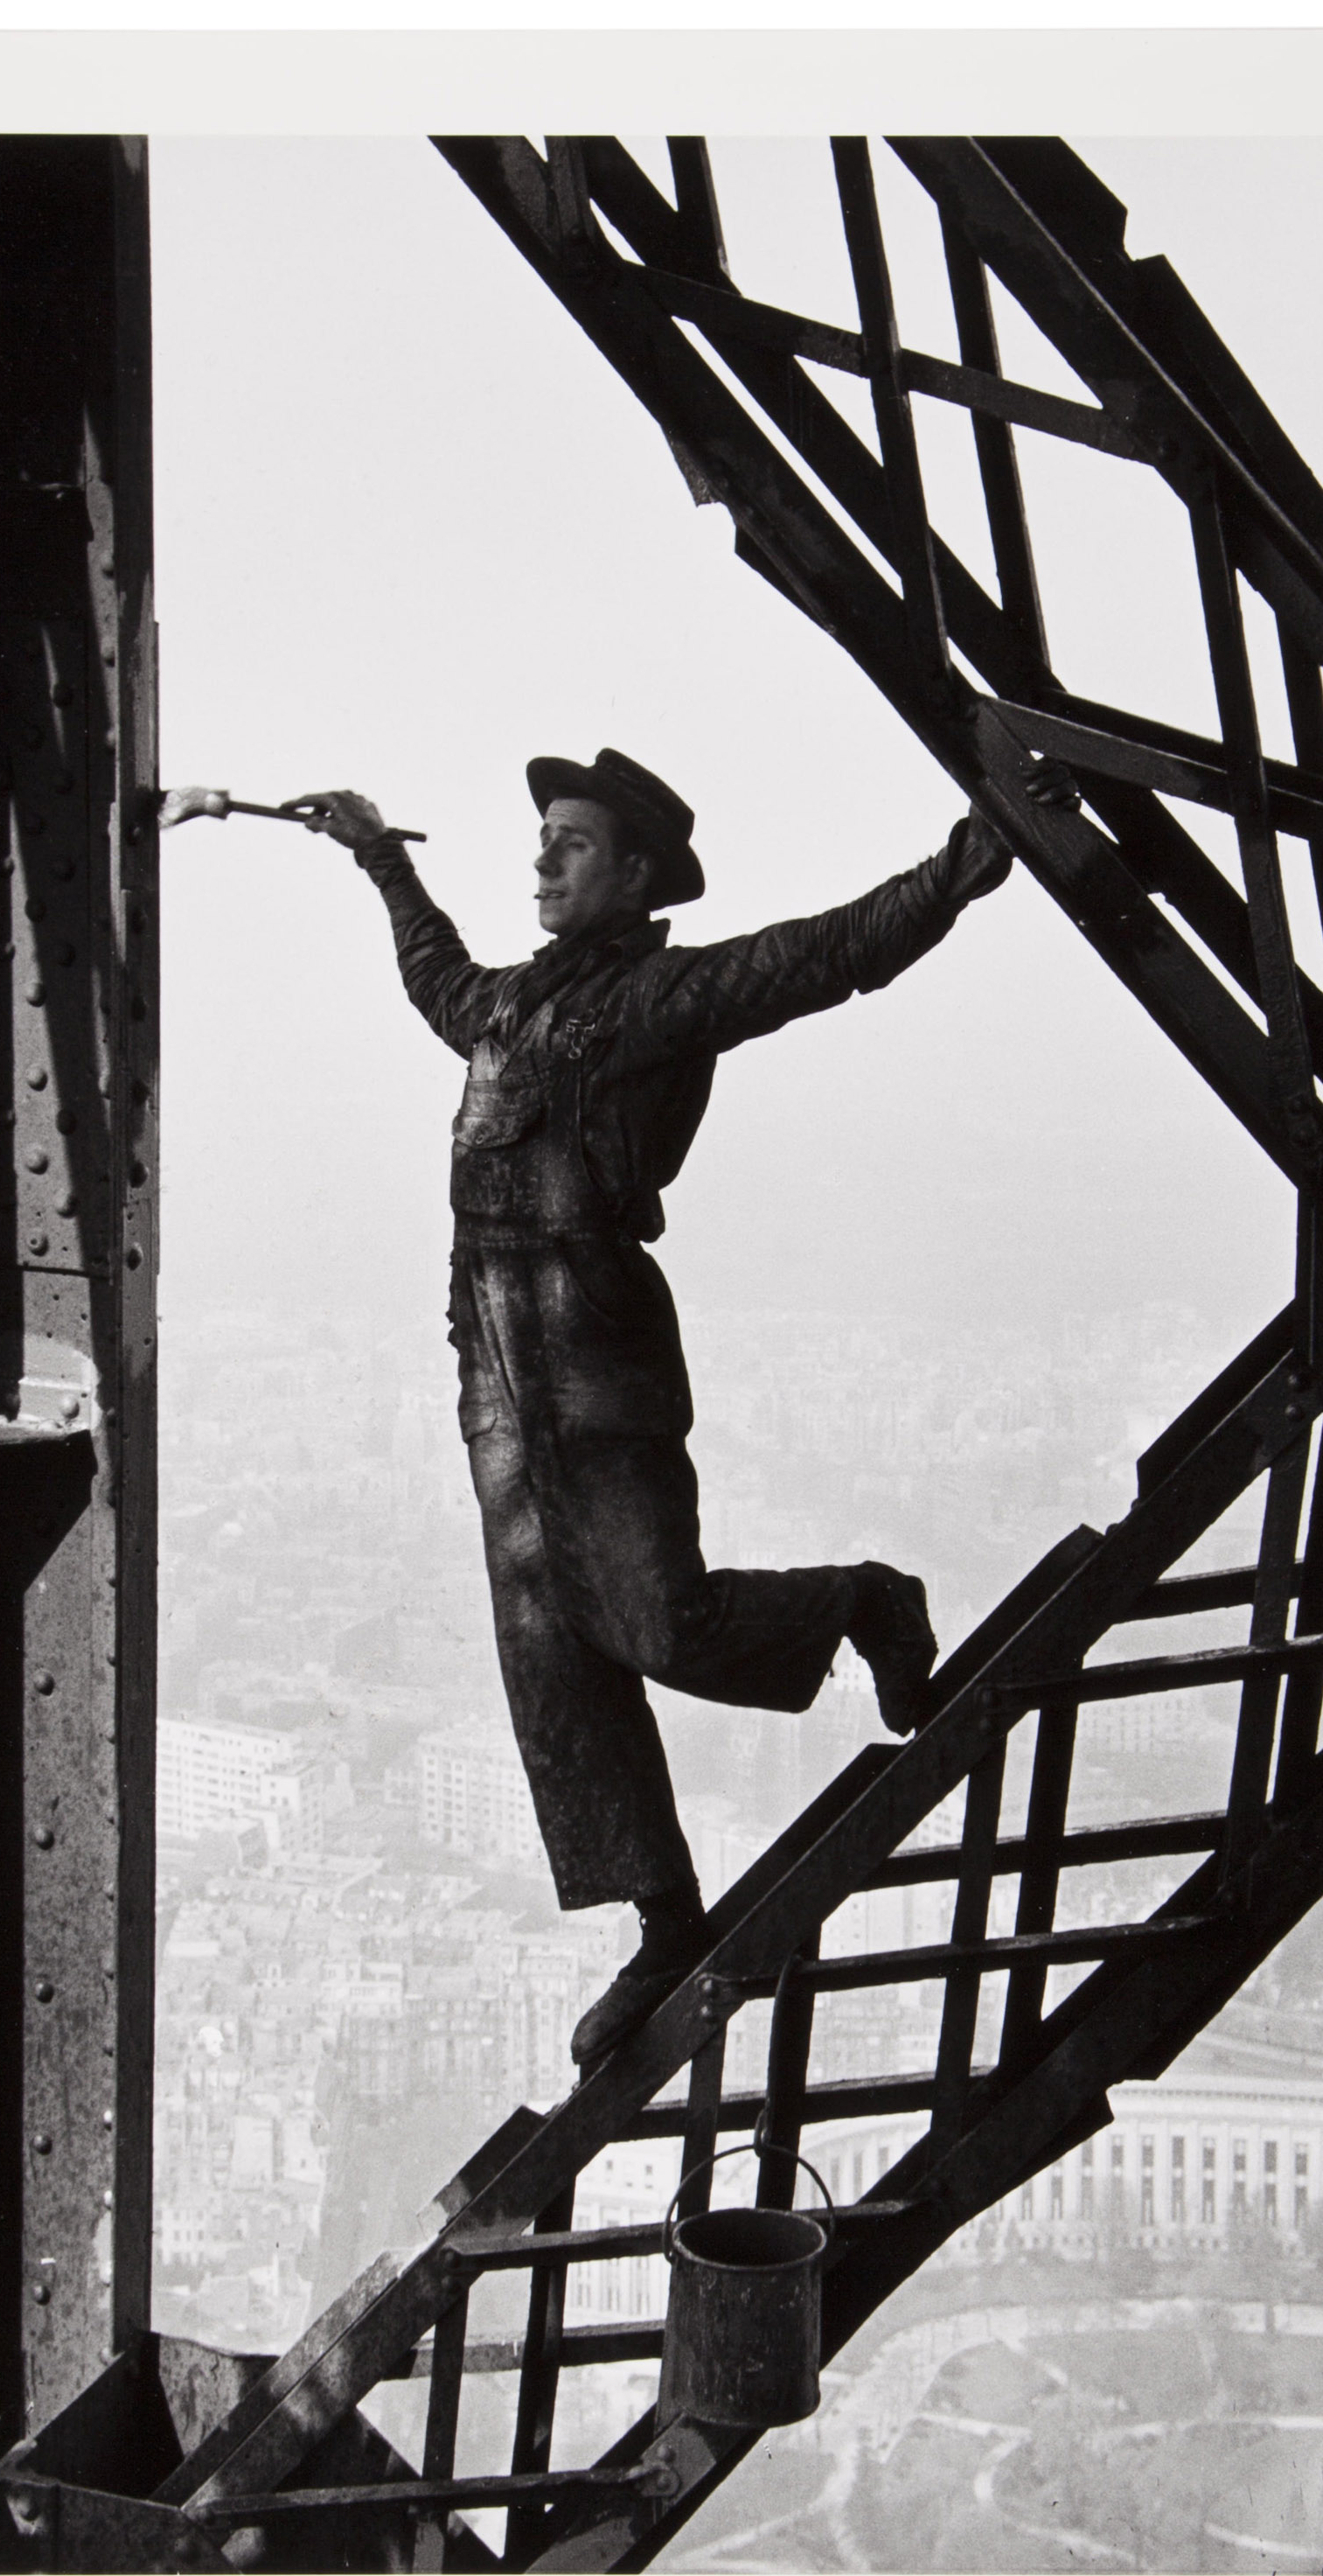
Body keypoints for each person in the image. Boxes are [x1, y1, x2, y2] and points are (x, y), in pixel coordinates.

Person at [296, 749, 1039, 2069]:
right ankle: (664, 1922)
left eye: (570, 841)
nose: (541, 859)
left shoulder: (660, 998)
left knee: (655, 1621)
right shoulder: (511, 1007)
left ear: (635, 875)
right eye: (540, 836)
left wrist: (957, 875)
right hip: (499, 1369)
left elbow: (822, 955)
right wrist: (376, 854)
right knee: (551, 1662)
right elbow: (433, 975)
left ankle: (865, 1599)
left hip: (592, 1354)